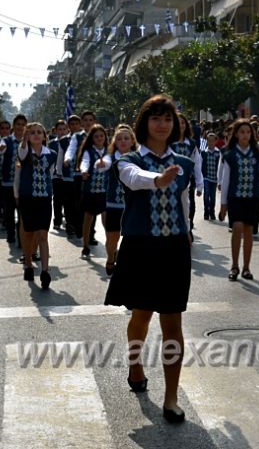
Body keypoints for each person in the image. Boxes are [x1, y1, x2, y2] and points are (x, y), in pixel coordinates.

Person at [104, 95, 193, 424]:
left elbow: (184, 201)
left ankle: (171, 398)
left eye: (168, 118)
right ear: (145, 123)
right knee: (141, 315)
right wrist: (157, 180)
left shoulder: (185, 162)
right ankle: (136, 364)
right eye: (155, 118)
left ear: (175, 125)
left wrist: (187, 232)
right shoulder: (126, 160)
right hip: (141, 247)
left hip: (173, 249)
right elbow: (134, 178)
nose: (162, 124)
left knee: (173, 320)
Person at [219, 118, 259, 281]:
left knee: (248, 231)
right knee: (237, 227)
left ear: (252, 134)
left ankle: (246, 267)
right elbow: (226, 179)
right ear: (236, 134)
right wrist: (223, 204)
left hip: (252, 197)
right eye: (242, 132)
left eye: (248, 132)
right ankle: (234, 265)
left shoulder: (258, 154)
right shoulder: (230, 154)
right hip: (235, 198)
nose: (245, 135)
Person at [17, 122, 57, 289]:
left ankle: (45, 271)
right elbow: (22, 152)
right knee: (28, 233)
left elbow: (51, 173)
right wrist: (24, 140)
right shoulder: (25, 152)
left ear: (44, 135)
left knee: (42, 235)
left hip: (44, 199)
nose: (36, 135)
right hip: (28, 198)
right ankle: (28, 262)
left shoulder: (52, 154)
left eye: (39, 132)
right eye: (32, 132)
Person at [104, 125, 136, 276]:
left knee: (131, 238)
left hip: (132, 205)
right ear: (114, 142)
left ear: (132, 141)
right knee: (113, 237)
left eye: (126, 138)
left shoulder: (138, 159)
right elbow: (102, 165)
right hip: (112, 204)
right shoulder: (109, 158)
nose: (122, 141)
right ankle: (111, 258)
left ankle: (126, 264)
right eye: (119, 138)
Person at [77, 124, 111, 258]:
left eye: (101, 136)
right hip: (90, 190)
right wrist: (84, 171)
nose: (99, 138)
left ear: (105, 137)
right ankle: (85, 245)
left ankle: (111, 245)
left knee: (106, 220)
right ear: (92, 138)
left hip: (105, 190)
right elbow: (84, 162)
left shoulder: (109, 151)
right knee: (88, 219)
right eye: (96, 136)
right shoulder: (88, 151)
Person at [0, 115, 27, 244]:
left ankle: (21, 237)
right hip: (8, 182)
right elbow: (0, 149)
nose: (20, 127)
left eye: (23, 124)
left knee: (22, 212)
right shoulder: (7, 140)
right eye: (18, 124)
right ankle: (11, 234)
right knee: (9, 211)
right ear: (14, 126)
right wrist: (1, 149)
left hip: (23, 183)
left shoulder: (28, 140)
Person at [172, 113, 203, 233]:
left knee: (188, 204)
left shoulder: (191, 144)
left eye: (183, 123)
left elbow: (197, 163)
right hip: (171, 180)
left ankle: (187, 228)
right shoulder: (169, 142)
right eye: (178, 122)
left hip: (187, 180)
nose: (180, 125)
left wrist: (200, 184)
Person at [200, 132, 220, 221]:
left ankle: (212, 211)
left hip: (215, 179)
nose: (211, 143)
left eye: (213, 141)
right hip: (206, 177)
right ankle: (206, 212)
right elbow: (200, 165)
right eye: (209, 141)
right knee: (206, 195)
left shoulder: (218, 153)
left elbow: (220, 167)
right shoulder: (204, 152)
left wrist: (220, 180)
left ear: (215, 141)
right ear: (207, 141)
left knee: (212, 196)